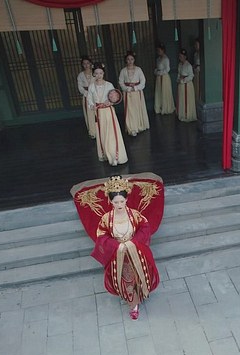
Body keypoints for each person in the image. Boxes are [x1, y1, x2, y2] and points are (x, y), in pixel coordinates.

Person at [72, 175, 163, 320]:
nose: (119, 204)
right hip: (119, 253)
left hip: (135, 250)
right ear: (110, 201)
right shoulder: (106, 219)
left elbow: (145, 228)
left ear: (126, 200)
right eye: (116, 202)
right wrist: (117, 245)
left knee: (139, 276)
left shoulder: (134, 215)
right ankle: (133, 304)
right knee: (127, 280)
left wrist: (133, 242)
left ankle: (141, 294)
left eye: (122, 201)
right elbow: (102, 236)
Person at [87, 63, 128, 166]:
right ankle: (105, 154)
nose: (99, 75)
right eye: (96, 73)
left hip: (108, 112)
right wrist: (92, 105)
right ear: (93, 74)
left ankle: (115, 156)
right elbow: (89, 99)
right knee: (102, 133)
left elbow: (115, 97)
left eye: (100, 73)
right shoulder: (91, 86)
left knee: (111, 133)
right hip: (99, 112)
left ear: (103, 73)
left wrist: (110, 102)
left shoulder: (109, 85)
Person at [118, 51, 150, 137]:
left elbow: (143, 81)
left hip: (137, 92)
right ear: (126, 60)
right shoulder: (123, 71)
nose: (130, 61)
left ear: (134, 60)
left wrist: (136, 88)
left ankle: (140, 125)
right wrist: (127, 88)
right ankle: (132, 128)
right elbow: (121, 82)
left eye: (131, 59)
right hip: (127, 93)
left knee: (138, 108)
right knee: (130, 110)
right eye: (128, 59)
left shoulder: (138, 69)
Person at [77, 56, 96, 139]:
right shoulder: (80, 75)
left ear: (90, 63)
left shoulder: (95, 73)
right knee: (89, 114)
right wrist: (87, 93)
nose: (86, 65)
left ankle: (100, 130)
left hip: (96, 96)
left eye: (88, 63)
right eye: (84, 64)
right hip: (86, 96)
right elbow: (80, 87)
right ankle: (92, 131)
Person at [176, 48, 197, 122]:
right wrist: (178, 79)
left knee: (187, 100)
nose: (180, 58)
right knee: (182, 99)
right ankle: (182, 114)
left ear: (185, 57)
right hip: (181, 85)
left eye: (181, 56)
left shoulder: (188, 65)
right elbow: (179, 74)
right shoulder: (180, 65)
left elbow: (191, 76)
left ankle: (187, 115)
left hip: (187, 85)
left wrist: (183, 80)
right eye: (179, 56)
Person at [154, 43, 175, 115]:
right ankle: (160, 106)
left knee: (165, 91)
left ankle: (166, 107)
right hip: (159, 77)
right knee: (159, 91)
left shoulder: (166, 59)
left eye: (159, 50)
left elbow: (167, 69)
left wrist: (160, 73)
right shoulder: (158, 59)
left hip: (164, 77)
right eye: (157, 50)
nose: (158, 52)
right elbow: (157, 68)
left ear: (163, 50)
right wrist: (156, 72)